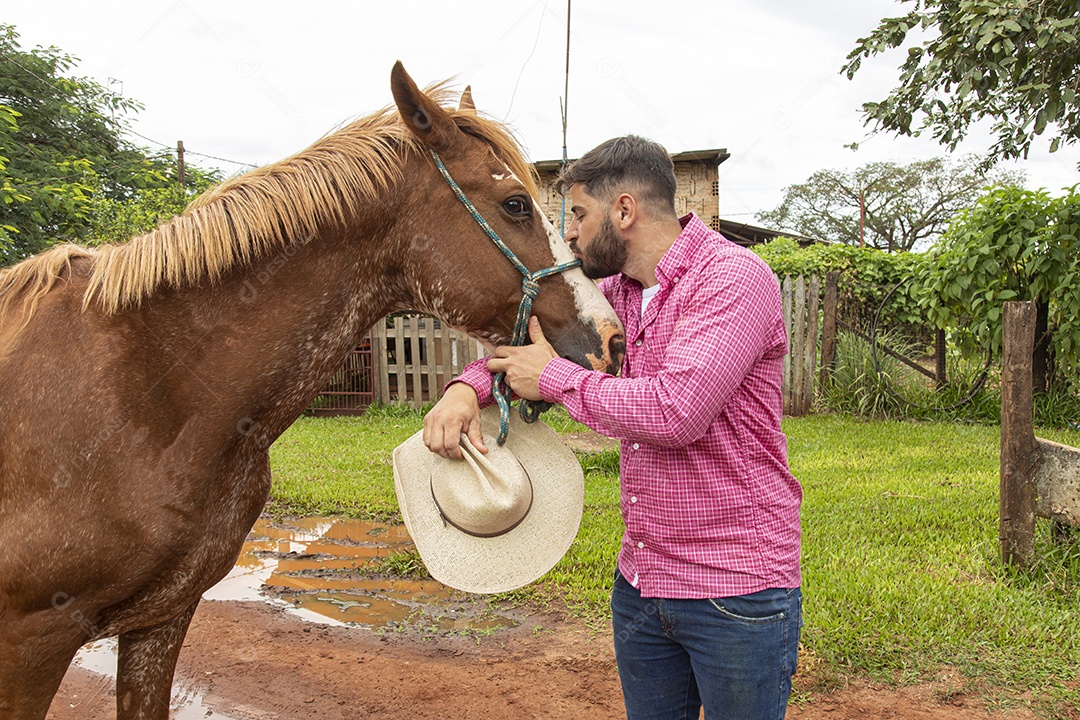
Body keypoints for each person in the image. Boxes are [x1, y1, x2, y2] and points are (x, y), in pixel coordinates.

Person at [423, 135, 802, 720]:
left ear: (623, 211)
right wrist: (464, 389)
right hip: (642, 584)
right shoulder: (620, 296)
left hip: (735, 588)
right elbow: (535, 345)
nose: (568, 234)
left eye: (576, 214)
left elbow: (676, 413)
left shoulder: (733, 280)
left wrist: (552, 380)